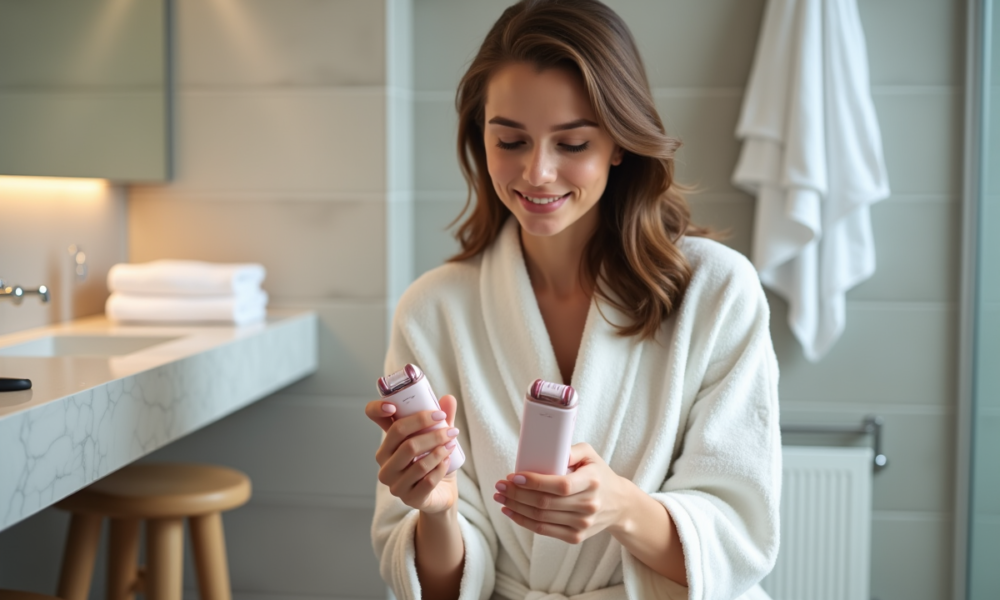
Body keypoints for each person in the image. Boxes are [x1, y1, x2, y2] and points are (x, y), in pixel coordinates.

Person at [365, 1, 781, 598]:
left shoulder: (716, 292)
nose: (537, 173)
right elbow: (437, 585)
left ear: (619, 142)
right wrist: (435, 511)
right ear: (478, 134)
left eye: (573, 143)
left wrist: (622, 509)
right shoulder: (433, 310)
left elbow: (741, 537)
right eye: (510, 139)